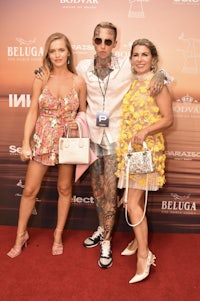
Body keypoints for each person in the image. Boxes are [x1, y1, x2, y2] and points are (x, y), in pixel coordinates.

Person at [76, 22, 168, 269]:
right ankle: (102, 227)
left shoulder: (126, 67)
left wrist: (162, 74)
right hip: (95, 138)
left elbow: (149, 69)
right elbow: (63, 74)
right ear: (93, 41)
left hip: (119, 138)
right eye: (98, 40)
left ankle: (106, 242)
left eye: (108, 41)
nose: (103, 46)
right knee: (99, 191)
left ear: (115, 44)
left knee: (110, 190)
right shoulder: (83, 67)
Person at [7, 32, 87, 258]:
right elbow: (33, 110)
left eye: (61, 50)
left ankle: (58, 235)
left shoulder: (78, 81)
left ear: (69, 52)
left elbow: (83, 111)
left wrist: (77, 122)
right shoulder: (41, 78)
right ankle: (20, 235)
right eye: (53, 51)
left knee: (64, 189)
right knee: (30, 190)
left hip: (67, 141)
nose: (57, 54)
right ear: (48, 54)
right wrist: (25, 142)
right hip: (42, 138)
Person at [115, 38, 173, 283]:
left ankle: (143, 255)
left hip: (145, 150)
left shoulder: (157, 84)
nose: (139, 59)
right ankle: (138, 239)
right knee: (131, 199)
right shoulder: (133, 83)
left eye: (145, 55)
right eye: (136, 54)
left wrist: (146, 131)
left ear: (153, 59)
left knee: (132, 203)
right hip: (130, 151)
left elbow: (168, 119)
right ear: (131, 59)